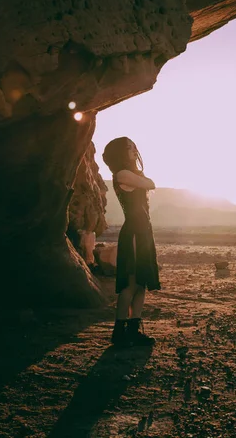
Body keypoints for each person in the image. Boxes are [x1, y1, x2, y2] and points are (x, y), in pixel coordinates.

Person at [102, 137, 160, 347]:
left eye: (134, 146)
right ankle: (120, 332)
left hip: (143, 231)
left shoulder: (130, 174)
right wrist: (141, 175)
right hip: (135, 231)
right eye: (128, 148)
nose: (134, 150)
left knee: (141, 282)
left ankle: (133, 329)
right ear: (119, 153)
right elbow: (150, 183)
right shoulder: (122, 174)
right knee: (131, 282)